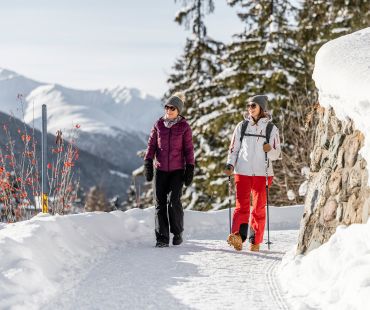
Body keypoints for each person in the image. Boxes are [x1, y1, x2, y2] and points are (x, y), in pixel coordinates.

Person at [224, 95, 281, 252]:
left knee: (258, 208)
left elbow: (277, 155)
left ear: (261, 107)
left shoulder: (271, 129)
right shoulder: (241, 126)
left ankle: (255, 241)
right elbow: (234, 149)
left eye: (253, 105)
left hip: (263, 173)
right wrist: (230, 164)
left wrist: (269, 150)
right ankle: (237, 237)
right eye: (248, 105)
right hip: (242, 171)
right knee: (241, 206)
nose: (250, 108)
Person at [144, 94, 195, 248]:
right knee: (160, 204)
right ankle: (162, 238)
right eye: (167, 107)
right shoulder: (158, 124)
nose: (169, 110)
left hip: (177, 170)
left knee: (174, 202)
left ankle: (177, 232)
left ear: (178, 110)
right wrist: (148, 162)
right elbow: (151, 145)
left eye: (172, 108)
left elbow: (188, 149)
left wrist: (190, 168)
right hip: (160, 170)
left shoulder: (184, 127)